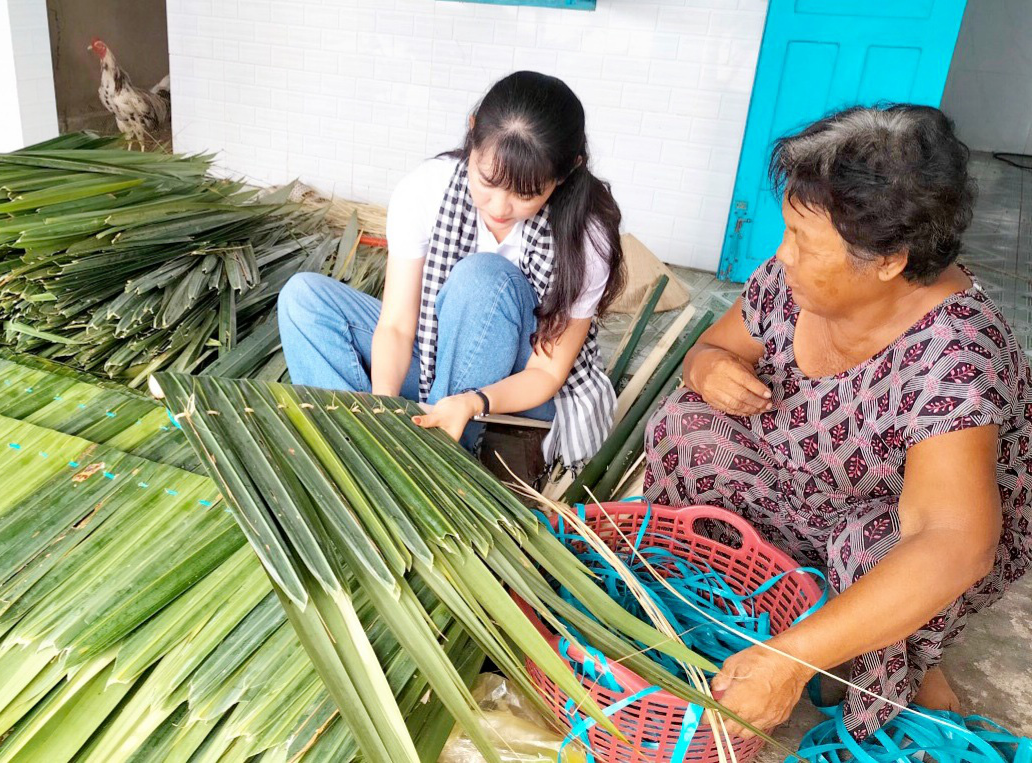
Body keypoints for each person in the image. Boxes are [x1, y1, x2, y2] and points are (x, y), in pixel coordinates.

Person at [643, 105, 1032, 740]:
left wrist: (787, 661)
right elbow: (713, 349)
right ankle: (753, 593)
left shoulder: (956, 358)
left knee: (875, 549)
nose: (782, 256)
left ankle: (882, 660)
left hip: (882, 519)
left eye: (803, 241)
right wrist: (708, 368)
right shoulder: (791, 282)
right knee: (689, 423)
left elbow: (953, 540)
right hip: (799, 481)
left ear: (888, 261)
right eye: (788, 231)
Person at [278, 71, 625, 465]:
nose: (498, 208)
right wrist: (382, 403)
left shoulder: (586, 237)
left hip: (518, 394)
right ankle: (362, 443)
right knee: (302, 299)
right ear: (473, 132)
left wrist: (471, 401)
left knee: (483, 279)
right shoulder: (427, 188)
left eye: (525, 194)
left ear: (564, 174)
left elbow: (546, 374)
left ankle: (435, 460)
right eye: (487, 181)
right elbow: (396, 325)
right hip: (436, 359)